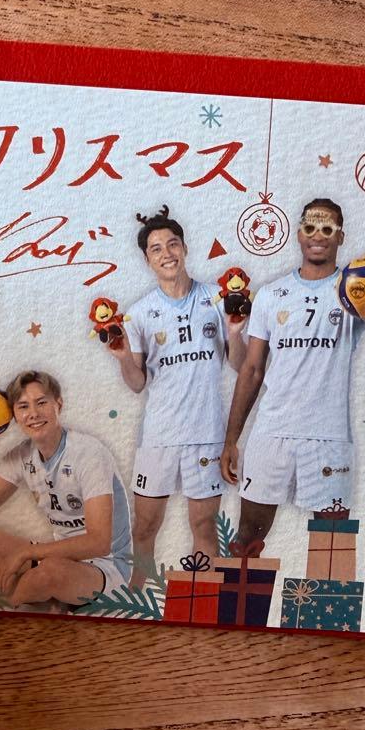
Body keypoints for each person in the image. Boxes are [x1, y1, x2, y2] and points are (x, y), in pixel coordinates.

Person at [222, 198, 365, 550]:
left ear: (340, 236)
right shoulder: (271, 295)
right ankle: (241, 590)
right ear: (299, 234)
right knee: (247, 538)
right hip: (272, 432)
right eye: (310, 227)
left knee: (332, 547)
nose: (318, 236)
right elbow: (252, 369)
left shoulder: (355, 291)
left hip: (329, 437)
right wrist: (231, 440)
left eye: (327, 229)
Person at [108, 206, 247, 585]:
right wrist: (123, 357)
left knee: (203, 525)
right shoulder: (139, 313)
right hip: (160, 436)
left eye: (172, 244)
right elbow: (137, 383)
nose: (166, 253)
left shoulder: (217, 299)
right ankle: (137, 595)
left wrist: (235, 333)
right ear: (147, 259)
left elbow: (239, 364)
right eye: (156, 249)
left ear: (184, 248)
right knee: (145, 527)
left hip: (206, 433)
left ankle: (204, 600)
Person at [0, 370, 132, 607]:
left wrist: (26, 553)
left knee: (49, 571)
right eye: (23, 406)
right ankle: (20, 593)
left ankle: (2, 603)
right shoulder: (22, 456)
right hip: (55, 555)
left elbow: (98, 543)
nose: (33, 413)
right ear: (14, 416)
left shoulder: (89, 453)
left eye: (41, 403)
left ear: (58, 405)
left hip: (106, 566)